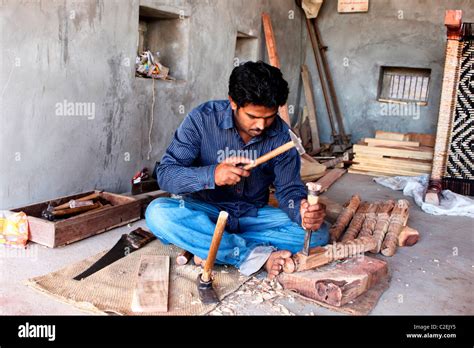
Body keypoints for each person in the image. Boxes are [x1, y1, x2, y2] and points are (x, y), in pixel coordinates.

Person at [145, 61, 328, 279]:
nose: (261, 125)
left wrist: (301, 210)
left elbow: (288, 191)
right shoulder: (201, 120)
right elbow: (166, 175)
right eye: (253, 116)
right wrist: (212, 175)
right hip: (206, 210)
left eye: (269, 117)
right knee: (158, 214)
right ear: (233, 102)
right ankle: (250, 253)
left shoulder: (282, 136)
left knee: (319, 234)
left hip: (252, 214)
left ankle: (213, 243)